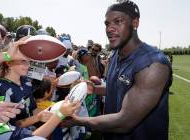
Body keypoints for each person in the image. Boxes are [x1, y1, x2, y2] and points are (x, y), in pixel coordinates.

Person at [70, 1, 172, 140]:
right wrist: (94, 89)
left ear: (135, 23)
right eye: (107, 24)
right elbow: (119, 88)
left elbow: (125, 122)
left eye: (118, 21)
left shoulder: (153, 64)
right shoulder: (115, 55)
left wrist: (77, 120)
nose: (109, 28)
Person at [0, 69, 80, 139]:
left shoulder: (26, 82)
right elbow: (32, 137)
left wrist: (54, 109)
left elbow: (32, 110)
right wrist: (59, 114)